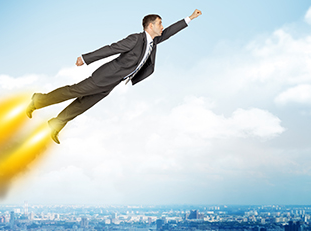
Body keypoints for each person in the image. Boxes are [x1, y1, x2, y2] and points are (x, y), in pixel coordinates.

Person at [27, 9, 202, 144]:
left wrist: (190, 18)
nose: (162, 27)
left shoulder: (153, 41)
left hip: (112, 82)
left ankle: (55, 124)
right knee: (72, 92)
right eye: (160, 24)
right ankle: (37, 101)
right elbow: (111, 48)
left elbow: (170, 31)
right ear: (151, 26)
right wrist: (86, 58)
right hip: (104, 77)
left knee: (83, 104)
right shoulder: (135, 39)